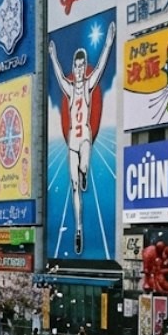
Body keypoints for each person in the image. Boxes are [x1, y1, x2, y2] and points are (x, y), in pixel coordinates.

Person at [47, 19, 116, 255]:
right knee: (75, 186)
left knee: (83, 167)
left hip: (84, 136)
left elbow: (101, 66)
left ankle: (85, 172)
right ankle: (78, 229)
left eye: (81, 66)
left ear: (84, 66)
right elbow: (57, 74)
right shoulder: (68, 88)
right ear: (73, 68)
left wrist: (108, 43)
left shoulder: (87, 86)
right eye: (75, 67)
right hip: (71, 142)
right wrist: (54, 57)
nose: (78, 70)